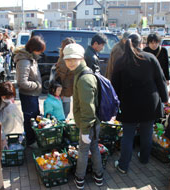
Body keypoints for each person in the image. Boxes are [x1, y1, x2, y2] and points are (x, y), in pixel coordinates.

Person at [111, 33, 168, 174]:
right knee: (147, 133)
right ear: (141, 44)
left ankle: (123, 165)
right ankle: (144, 158)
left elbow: (114, 87)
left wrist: (114, 105)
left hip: (128, 105)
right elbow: (161, 81)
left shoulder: (121, 61)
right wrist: (165, 98)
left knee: (128, 135)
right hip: (149, 104)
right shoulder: (150, 58)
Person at [63, 43, 103, 188]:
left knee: (84, 151)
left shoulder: (84, 78)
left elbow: (88, 108)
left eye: (74, 59)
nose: (71, 62)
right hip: (92, 122)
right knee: (94, 148)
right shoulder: (80, 73)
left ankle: (80, 179)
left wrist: (85, 130)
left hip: (89, 124)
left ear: (81, 58)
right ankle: (99, 176)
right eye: (67, 59)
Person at [14, 35, 46, 148]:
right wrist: (37, 85)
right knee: (29, 119)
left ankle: (32, 138)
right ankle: (31, 141)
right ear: (33, 49)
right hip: (28, 95)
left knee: (34, 117)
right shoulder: (24, 61)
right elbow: (22, 82)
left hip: (33, 94)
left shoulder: (30, 58)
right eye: (39, 51)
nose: (40, 53)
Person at [54, 37, 76, 118]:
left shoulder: (66, 58)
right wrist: (61, 93)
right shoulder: (64, 60)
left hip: (67, 90)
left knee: (65, 112)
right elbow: (61, 78)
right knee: (64, 112)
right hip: (64, 91)